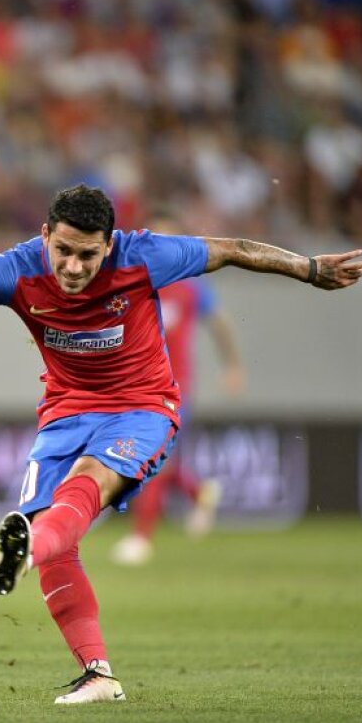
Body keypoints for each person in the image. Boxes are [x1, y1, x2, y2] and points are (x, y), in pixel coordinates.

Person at [0, 184, 362, 704]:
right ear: (45, 235)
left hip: (141, 408)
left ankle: (24, 551)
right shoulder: (15, 269)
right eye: (63, 250)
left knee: (86, 481)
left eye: (87, 256)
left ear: (109, 245)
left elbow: (232, 249)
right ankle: (96, 672)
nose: (72, 267)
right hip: (65, 412)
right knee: (54, 538)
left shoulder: (144, 256)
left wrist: (307, 268)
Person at [110, 209, 245, 566]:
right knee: (151, 460)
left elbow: (221, 323)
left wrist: (232, 365)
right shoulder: (135, 282)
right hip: (133, 386)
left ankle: (141, 539)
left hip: (173, 387)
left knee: (152, 457)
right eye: (158, 241)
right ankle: (199, 492)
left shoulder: (191, 287)